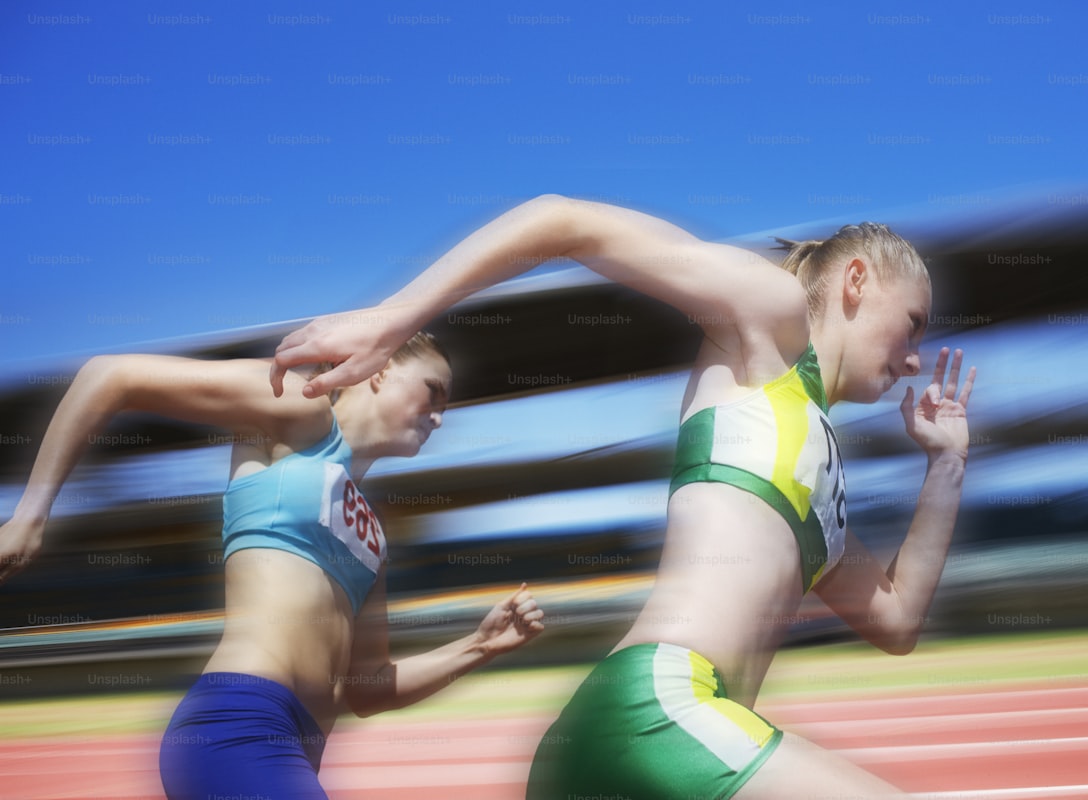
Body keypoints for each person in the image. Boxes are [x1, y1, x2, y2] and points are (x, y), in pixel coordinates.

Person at [269, 195, 976, 798]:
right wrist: (393, 320)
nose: (915, 357)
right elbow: (562, 220)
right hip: (661, 713)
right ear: (856, 280)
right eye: (913, 322)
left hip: (641, 747)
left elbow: (896, 621)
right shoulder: (773, 320)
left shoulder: (823, 493)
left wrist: (947, 464)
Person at [0, 332, 545, 799]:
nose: (440, 418)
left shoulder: (373, 535)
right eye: (432, 392)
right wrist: (30, 516)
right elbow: (110, 376)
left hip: (298, 748)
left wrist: (480, 646)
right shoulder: (302, 411)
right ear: (379, 371)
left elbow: (369, 688)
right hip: (240, 723)